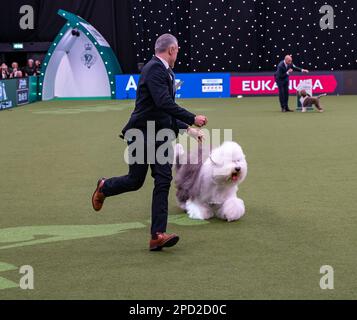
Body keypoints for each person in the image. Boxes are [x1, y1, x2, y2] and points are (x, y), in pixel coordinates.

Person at [91, 33, 207, 251]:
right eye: (177, 49)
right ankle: (104, 187)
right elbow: (163, 103)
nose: (178, 53)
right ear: (171, 50)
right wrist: (191, 117)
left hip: (160, 135)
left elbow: (164, 113)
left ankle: (157, 235)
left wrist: (188, 129)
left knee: (163, 180)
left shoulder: (167, 72)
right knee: (135, 180)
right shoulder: (154, 69)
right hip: (141, 133)